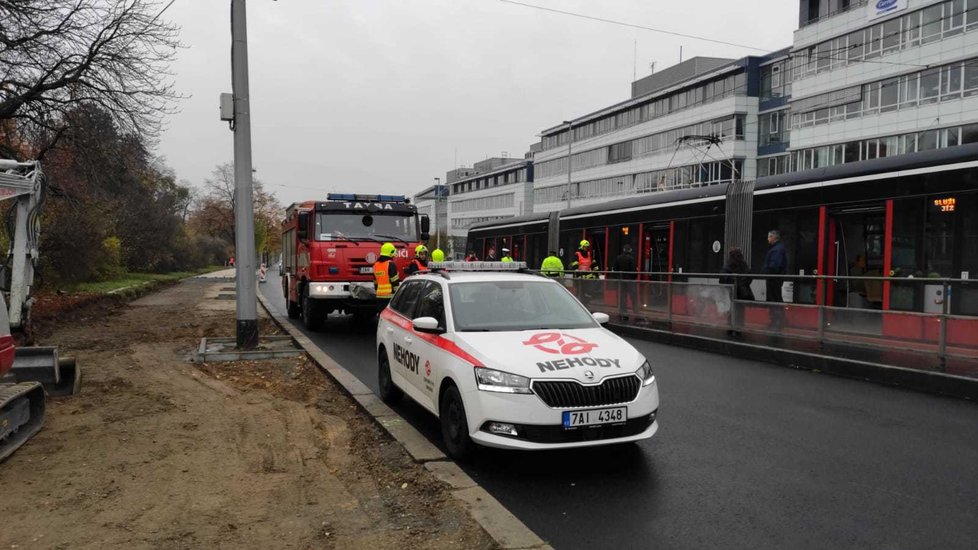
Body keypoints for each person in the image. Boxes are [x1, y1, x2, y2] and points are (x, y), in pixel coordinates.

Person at [721, 247, 753, 335]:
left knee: (732, 308)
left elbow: (723, 276)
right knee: (740, 309)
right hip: (742, 292)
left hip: (733, 290)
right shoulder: (743, 263)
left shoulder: (730, 263)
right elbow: (749, 276)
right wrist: (743, 284)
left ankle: (731, 327)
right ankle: (739, 327)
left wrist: (732, 282)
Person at [762, 230, 787, 328]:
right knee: (775, 299)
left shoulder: (776, 250)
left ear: (774, 237)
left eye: (769, 237)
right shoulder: (778, 248)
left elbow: (774, 265)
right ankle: (777, 321)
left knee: (774, 299)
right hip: (775, 278)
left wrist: (766, 271)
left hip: (774, 279)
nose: (767, 239)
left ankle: (776, 322)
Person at [612, 244, 637, 321]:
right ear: (630, 250)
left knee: (622, 297)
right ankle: (636, 312)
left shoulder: (618, 258)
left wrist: (618, 277)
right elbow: (634, 271)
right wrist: (633, 278)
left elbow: (615, 269)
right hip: (629, 280)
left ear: (623, 249)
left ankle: (623, 313)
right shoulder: (631, 258)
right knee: (633, 296)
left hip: (621, 280)